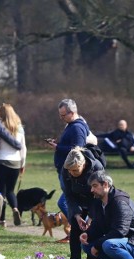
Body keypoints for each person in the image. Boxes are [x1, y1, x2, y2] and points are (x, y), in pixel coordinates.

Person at [45, 99, 91, 241]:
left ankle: (83, 230)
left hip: (72, 173)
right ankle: (78, 231)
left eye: (63, 115)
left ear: (72, 112)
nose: (61, 118)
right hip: (65, 171)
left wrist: (58, 147)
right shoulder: (71, 125)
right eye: (60, 115)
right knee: (68, 202)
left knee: (64, 202)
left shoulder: (77, 127)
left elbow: (78, 149)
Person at [62, 147, 106, 259]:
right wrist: (76, 215)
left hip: (95, 199)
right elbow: (68, 194)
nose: (71, 173)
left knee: (94, 230)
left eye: (75, 170)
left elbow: (100, 194)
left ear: (83, 164)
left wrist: (91, 217)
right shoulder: (66, 170)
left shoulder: (96, 168)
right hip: (77, 200)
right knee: (75, 229)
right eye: (69, 170)